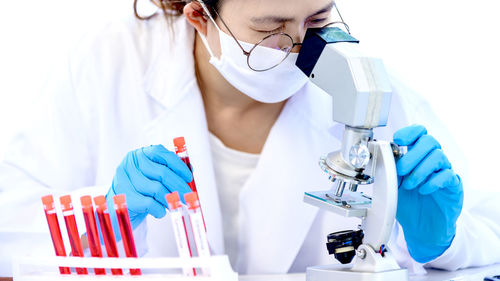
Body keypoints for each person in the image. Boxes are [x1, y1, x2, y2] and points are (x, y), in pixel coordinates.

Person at [0, 0, 499, 276]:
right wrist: (101, 221)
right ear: (200, 14)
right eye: (272, 27)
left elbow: (487, 228)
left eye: (318, 19)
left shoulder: (366, 86)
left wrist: (442, 241)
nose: (305, 48)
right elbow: (9, 227)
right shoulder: (103, 64)